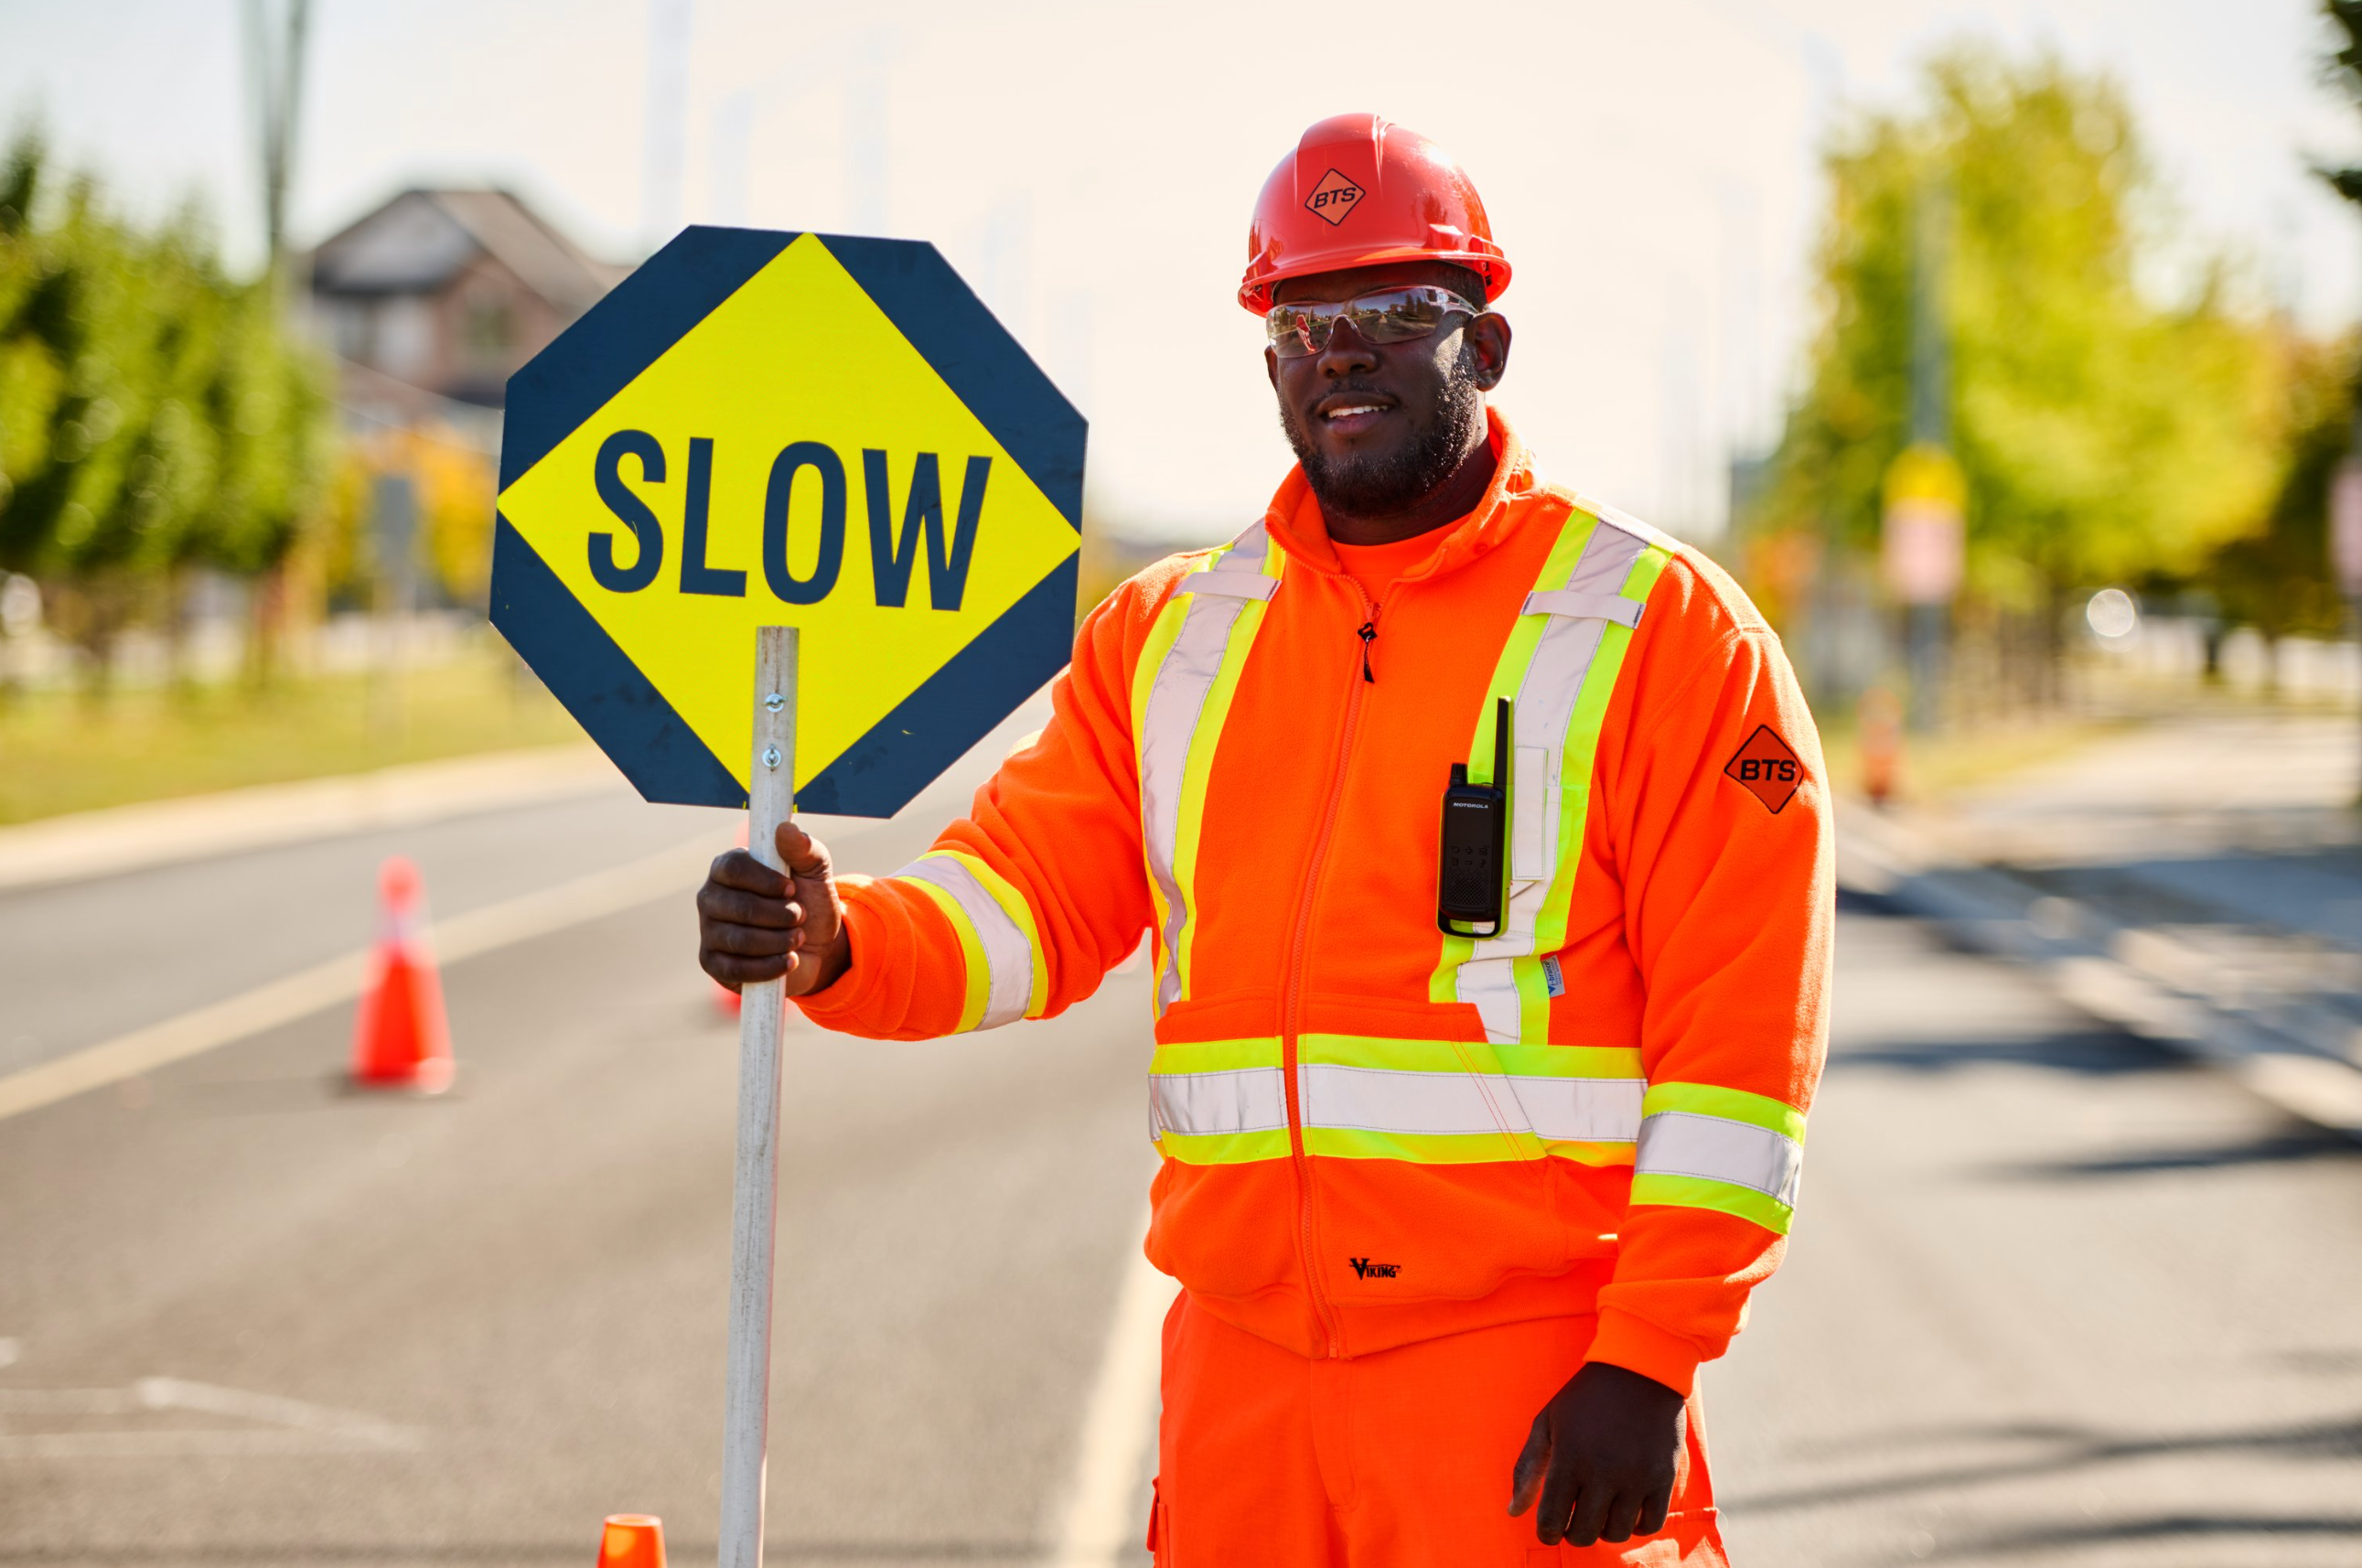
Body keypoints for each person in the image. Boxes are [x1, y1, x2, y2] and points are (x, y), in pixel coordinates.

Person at [697, 113, 1831, 1565]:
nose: (1338, 351)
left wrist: (1647, 1357)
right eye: (1301, 320)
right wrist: (842, 937)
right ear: (1270, 366)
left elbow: (1739, 1047)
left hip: (1529, 1383)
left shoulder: (1664, 634)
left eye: (1387, 313)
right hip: (1240, 1382)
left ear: (1483, 349)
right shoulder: (1168, 638)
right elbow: (1025, 902)